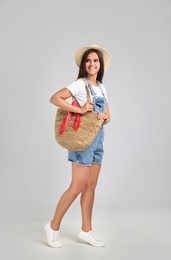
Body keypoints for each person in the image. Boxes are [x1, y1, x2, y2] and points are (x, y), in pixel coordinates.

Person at [45, 44, 111, 248]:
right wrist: (82, 110)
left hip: (98, 139)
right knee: (78, 185)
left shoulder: (102, 86)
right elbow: (55, 98)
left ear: (100, 65)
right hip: (82, 140)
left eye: (96, 61)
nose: (92, 64)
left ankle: (86, 230)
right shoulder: (80, 84)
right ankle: (53, 226)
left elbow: (108, 117)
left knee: (91, 185)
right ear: (84, 65)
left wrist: (103, 117)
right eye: (89, 61)